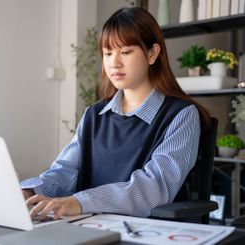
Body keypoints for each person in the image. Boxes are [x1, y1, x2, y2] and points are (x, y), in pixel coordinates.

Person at [21, 7, 211, 221]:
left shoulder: (182, 115)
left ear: (152, 53)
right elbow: (64, 171)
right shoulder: (93, 115)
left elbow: (153, 188)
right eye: (107, 53)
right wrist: (29, 193)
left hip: (144, 232)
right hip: (87, 227)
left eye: (126, 52)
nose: (114, 63)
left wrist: (78, 202)